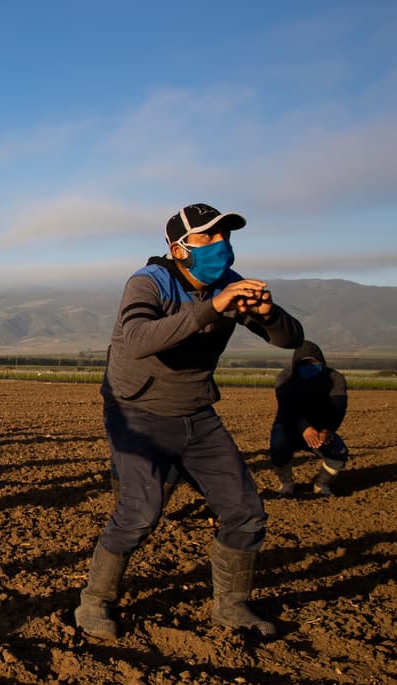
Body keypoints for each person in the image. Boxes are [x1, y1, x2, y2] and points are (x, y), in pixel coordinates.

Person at [75, 203, 303, 640]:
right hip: (135, 411)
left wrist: (269, 313)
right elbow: (139, 339)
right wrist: (212, 307)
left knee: (246, 511)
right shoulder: (149, 282)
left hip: (196, 412)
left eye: (225, 236)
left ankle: (232, 606)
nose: (221, 245)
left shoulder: (229, 285)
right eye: (207, 238)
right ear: (178, 249)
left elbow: (291, 339)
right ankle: (95, 601)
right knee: (141, 511)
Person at [270, 340, 348, 497]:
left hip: (321, 428)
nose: (310, 366)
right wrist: (305, 427)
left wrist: (328, 429)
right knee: (278, 446)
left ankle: (321, 484)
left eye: (314, 362)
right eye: (305, 363)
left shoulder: (334, 378)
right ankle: (287, 483)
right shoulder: (285, 377)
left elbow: (339, 406)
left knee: (339, 452)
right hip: (288, 426)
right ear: (295, 364)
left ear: (322, 362)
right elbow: (287, 408)